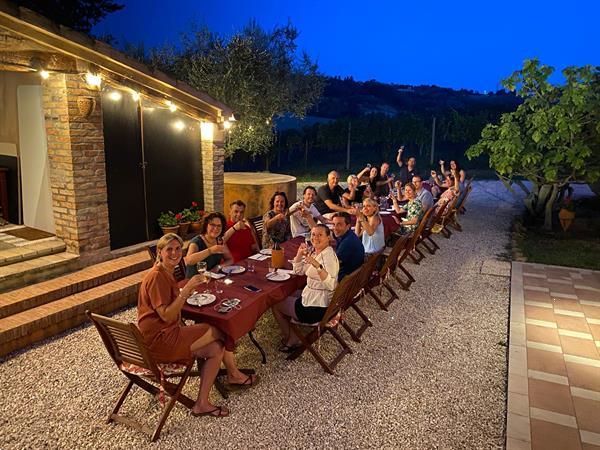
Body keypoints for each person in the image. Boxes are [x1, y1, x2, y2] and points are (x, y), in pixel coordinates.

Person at [138, 234, 257, 418]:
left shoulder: (164, 272)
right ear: (159, 252)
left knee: (215, 348)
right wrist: (186, 290)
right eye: (169, 249)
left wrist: (185, 293)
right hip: (161, 343)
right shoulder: (156, 277)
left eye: (178, 248)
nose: (174, 253)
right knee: (221, 329)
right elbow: (167, 314)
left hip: (162, 336)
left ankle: (202, 403)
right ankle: (233, 373)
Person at [271, 224, 339, 351]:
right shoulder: (319, 252)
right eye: (313, 234)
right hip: (316, 298)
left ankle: (292, 339)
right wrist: (299, 254)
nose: (315, 238)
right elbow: (298, 271)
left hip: (316, 308)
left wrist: (318, 266)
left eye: (320, 235)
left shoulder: (327, 258)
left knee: (275, 303)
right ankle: (292, 331)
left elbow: (331, 284)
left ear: (328, 237)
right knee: (284, 294)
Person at [185, 212, 233, 279]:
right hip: (194, 282)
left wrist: (218, 267)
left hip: (211, 279)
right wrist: (211, 250)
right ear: (206, 225)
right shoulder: (196, 242)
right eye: (212, 225)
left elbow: (230, 259)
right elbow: (189, 261)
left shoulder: (220, 241)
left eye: (219, 226)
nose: (216, 228)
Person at [331, 212, 364, 281]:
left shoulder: (347, 242)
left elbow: (332, 265)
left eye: (339, 225)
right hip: (354, 272)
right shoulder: (348, 234)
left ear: (348, 226)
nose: (335, 228)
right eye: (333, 224)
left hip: (345, 279)